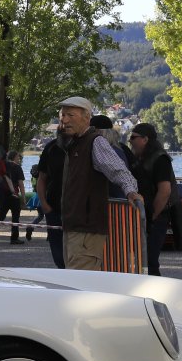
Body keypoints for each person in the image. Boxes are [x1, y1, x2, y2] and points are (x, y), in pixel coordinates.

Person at [56, 96, 143, 270]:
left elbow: (119, 170)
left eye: (70, 115)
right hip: (73, 226)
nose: (64, 120)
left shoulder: (96, 141)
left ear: (86, 117)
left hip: (87, 228)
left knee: (81, 280)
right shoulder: (73, 143)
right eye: (62, 115)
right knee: (73, 277)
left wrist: (131, 191)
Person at [128, 123, 175, 275]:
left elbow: (164, 191)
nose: (130, 141)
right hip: (145, 216)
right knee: (142, 261)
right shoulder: (140, 158)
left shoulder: (160, 159)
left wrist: (151, 216)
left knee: (149, 262)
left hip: (156, 217)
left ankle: (155, 289)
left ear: (145, 139)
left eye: (133, 137)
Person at [32, 131, 69, 268]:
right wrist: (44, 205)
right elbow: (42, 178)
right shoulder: (51, 148)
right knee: (58, 252)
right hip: (54, 207)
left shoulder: (84, 146)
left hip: (77, 209)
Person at [0, 146, 24, 244]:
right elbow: (20, 183)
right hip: (14, 195)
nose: (19, 159)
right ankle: (14, 238)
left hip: (3, 195)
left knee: (1, 216)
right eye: (18, 157)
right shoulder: (17, 167)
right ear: (14, 157)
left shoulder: (1, 166)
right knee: (15, 217)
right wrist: (23, 197)